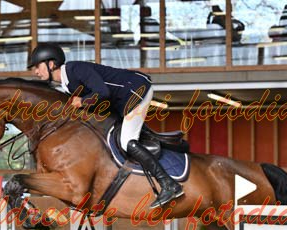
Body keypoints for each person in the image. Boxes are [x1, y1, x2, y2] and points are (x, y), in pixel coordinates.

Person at [27, 43, 184, 209]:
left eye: (37, 66)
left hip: (136, 90)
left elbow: (102, 92)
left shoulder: (75, 70)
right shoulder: (66, 85)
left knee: (127, 142)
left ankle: (169, 184)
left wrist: (82, 101)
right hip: (120, 101)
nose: (35, 72)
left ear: (51, 64)